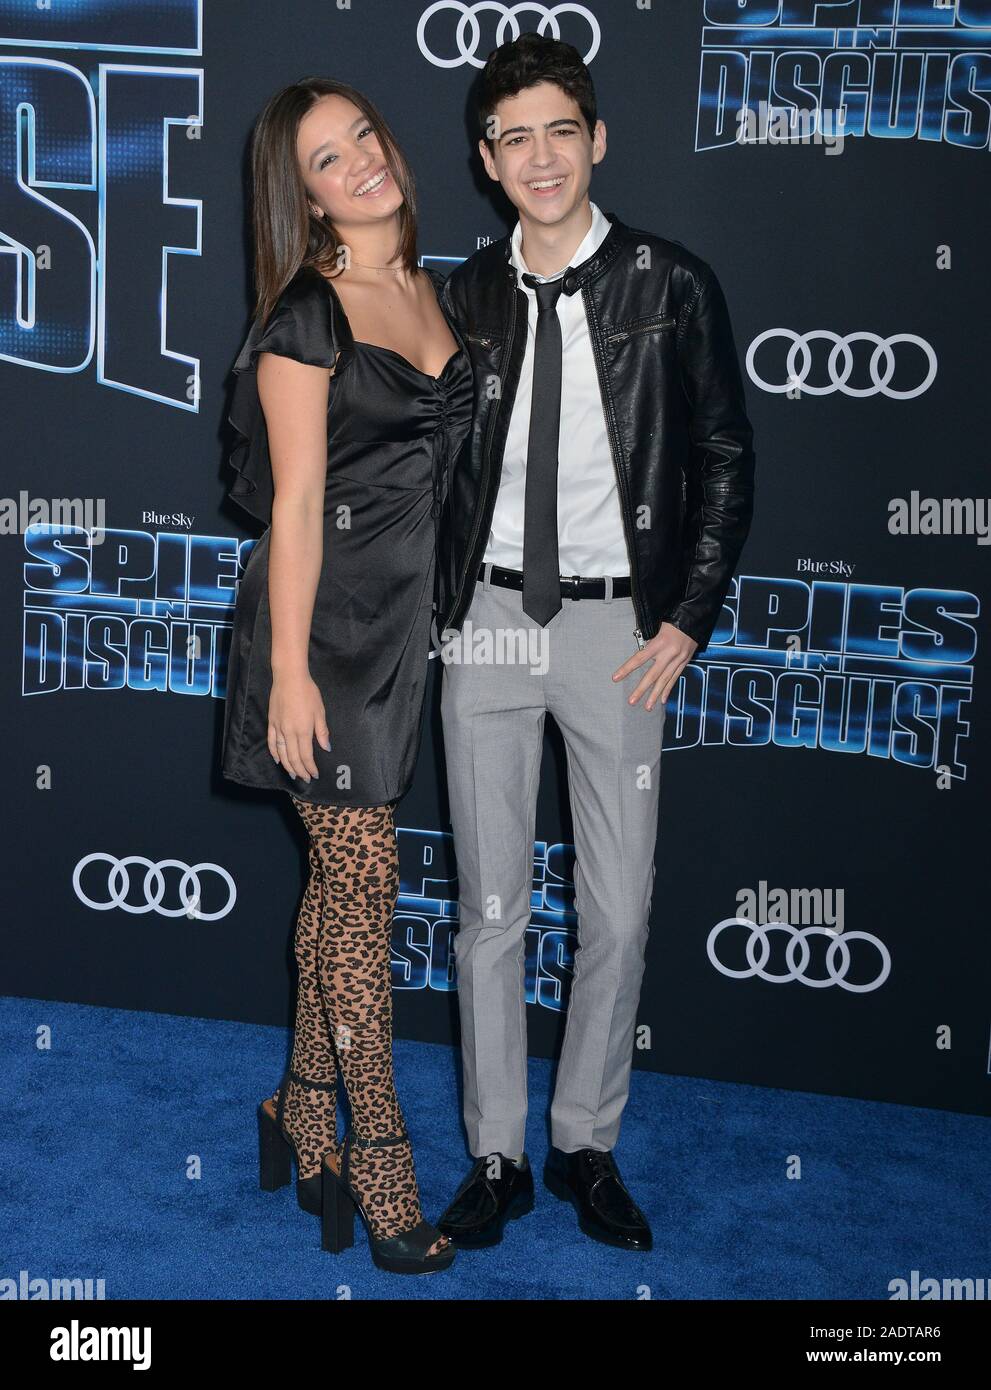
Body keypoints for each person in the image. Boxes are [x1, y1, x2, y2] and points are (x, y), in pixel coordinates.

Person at [434, 34, 756, 1251]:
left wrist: (687, 616)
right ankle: (498, 1154)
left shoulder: (670, 284)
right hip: (491, 624)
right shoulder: (460, 296)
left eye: (559, 129)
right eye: (513, 136)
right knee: (491, 906)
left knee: (617, 910)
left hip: (622, 628)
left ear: (597, 139)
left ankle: (583, 1143)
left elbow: (725, 455)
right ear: (487, 160)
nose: (539, 156)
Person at [222, 77, 472, 1275]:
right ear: (303, 195)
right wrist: (285, 675)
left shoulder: (431, 291)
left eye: (364, 136)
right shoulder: (304, 319)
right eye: (329, 158)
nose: (362, 162)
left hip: (403, 635)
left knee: (339, 890)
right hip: (318, 641)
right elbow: (298, 511)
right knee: (363, 899)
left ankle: (293, 1110)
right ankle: (379, 1161)